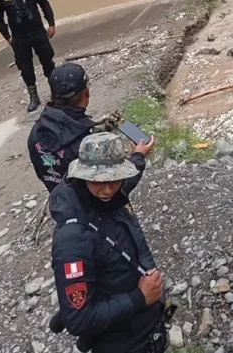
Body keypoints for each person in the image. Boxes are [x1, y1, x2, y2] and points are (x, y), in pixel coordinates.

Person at [50, 132, 163, 353]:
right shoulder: (72, 240)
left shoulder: (103, 195)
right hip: (121, 342)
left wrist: (139, 155)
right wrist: (139, 298)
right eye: (99, 181)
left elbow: (125, 182)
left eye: (115, 179)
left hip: (143, 326)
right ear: (82, 177)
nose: (109, 189)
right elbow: (78, 319)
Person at [0, 0, 56, 112]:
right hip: (19, 38)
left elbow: (45, 5)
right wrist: (8, 37)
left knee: (48, 61)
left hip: (38, 32)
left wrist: (51, 24)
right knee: (26, 68)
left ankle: (55, 91)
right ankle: (34, 97)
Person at [28, 63, 96, 192]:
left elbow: (40, 172)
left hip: (60, 202)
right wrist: (138, 157)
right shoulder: (89, 142)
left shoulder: (36, 132)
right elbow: (109, 188)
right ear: (87, 92)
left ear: (52, 96)